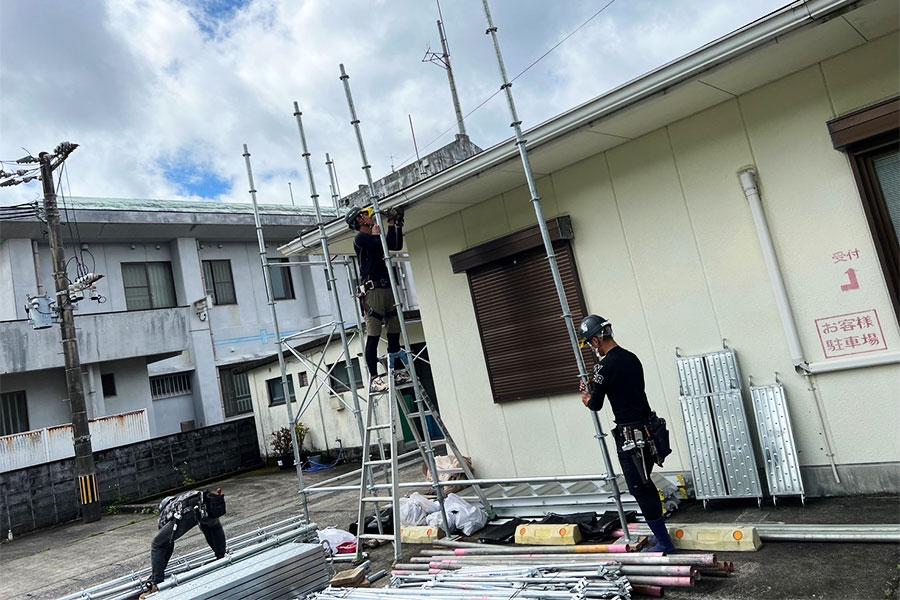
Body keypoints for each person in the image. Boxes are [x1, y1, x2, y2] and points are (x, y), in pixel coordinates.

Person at [578, 314, 676, 554]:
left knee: (640, 487)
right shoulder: (631, 358)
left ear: (596, 341)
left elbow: (596, 404)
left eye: (590, 343)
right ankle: (660, 535)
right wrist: (596, 383)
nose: (592, 348)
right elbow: (621, 387)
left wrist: (588, 396)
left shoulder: (604, 366)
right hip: (649, 429)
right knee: (646, 484)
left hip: (631, 436)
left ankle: (665, 543)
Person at [345, 206, 410, 394]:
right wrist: (388, 226)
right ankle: (374, 378)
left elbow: (394, 245)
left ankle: (396, 371)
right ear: (359, 220)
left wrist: (394, 223)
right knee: (373, 335)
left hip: (387, 286)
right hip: (372, 291)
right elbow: (383, 244)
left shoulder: (372, 238)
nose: (370, 217)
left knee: (393, 331)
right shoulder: (361, 239)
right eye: (365, 215)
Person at [139, 489, 227, 599]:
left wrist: (157, 574)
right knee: (213, 528)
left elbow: (165, 544)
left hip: (193, 509)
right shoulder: (184, 497)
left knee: (157, 544)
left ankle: (156, 585)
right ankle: (223, 559)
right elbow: (208, 531)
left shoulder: (167, 510)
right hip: (209, 502)